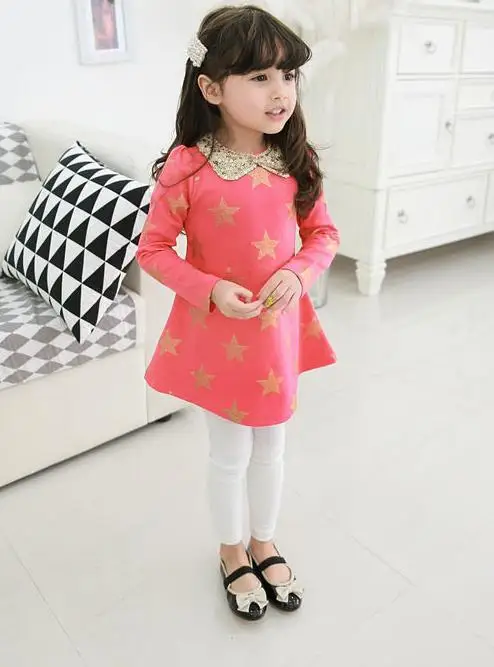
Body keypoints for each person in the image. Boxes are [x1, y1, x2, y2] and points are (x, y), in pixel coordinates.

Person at [136, 4, 340, 621]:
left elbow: (323, 236)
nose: (281, 92)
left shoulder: (296, 160)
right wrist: (209, 289)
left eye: (288, 75)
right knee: (229, 454)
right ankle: (231, 551)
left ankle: (264, 541)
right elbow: (152, 250)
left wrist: (297, 273)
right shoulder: (187, 167)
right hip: (217, 336)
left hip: (276, 337)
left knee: (272, 448)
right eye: (259, 77)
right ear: (212, 88)